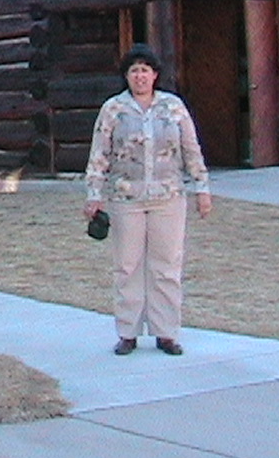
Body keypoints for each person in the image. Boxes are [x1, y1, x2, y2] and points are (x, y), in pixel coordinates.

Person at [84, 44, 212, 356]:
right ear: (126, 76)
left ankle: (166, 333)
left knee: (166, 266)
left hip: (168, 197)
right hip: (126, 197)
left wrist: (202, 187)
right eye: (134, 71)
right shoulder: (114, 109)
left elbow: (190, 148)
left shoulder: (173, 107)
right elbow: (99, 154)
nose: (140, 76)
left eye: (145, 70)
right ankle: (127, 332)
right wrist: (94, 194)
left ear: (155, 75)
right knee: (127, 266)